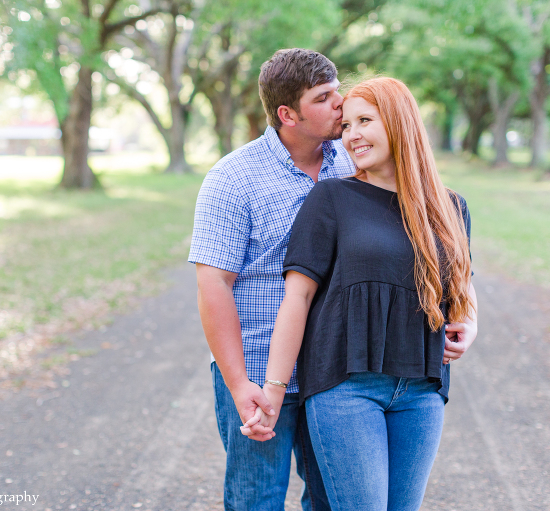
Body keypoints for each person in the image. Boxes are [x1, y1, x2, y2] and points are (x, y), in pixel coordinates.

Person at [242, 77, 479, 511]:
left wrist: (471, 323)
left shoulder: (451, 207)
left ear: (399, 123)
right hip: (346, 389)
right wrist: (273, 391)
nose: (351, 135)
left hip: (422, 391)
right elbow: (297, 298)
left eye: (364, 121)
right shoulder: (331, 198)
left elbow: (461, 283)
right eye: (346, 124)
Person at [188, 48, 355, 510]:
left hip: (336, 372)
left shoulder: (353, 163)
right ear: (288, 114)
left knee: (332, 499)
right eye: (323, 97)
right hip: (259, 373)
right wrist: (240, 384)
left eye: (336, 89)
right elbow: (213, 285)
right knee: (255, 499)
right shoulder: (233, 178)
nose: (340, 102)